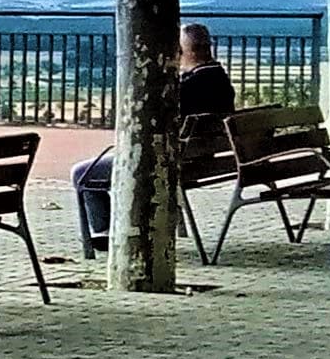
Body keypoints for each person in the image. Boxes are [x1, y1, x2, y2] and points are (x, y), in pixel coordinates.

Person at [75, 22, 237, 256]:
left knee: (82, 173)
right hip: (200, 161)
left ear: (186, 52)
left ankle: (105, 233)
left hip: (168, 162)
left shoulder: (184, 89)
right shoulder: (220, 80)